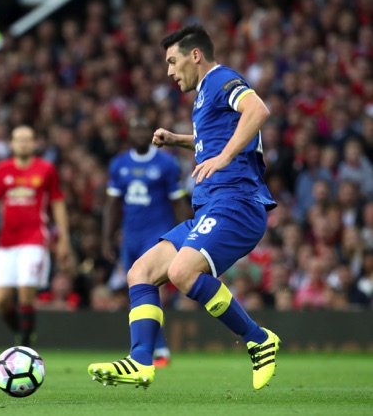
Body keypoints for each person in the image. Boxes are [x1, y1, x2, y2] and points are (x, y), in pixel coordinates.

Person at [88, 25, 280, 391]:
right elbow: (216, 139)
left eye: (172, 62)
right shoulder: (206, 95)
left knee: (182, 272)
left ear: (195, 55)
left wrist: (224, 157)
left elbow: (258, 110)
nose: (169, 71)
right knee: (140, 271)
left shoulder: (222, 78)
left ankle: (258, 339)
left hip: (237, 202)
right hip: (212, 204)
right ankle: (141, 362)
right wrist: (179, 141)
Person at [101, 116, 191, 368]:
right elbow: (112, 205)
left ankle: (156, 348)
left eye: (144, 129)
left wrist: (185, 236)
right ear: (128, 134)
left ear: (151, 133)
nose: (140, 133)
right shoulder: (119, 164)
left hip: (157, 233)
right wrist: (107, 238)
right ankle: (153, 347)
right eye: (135, 129)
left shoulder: (166, 163)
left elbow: (177, 202)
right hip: (131, 236)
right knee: (137, 291)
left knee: (150, 286)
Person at [0, 125, 71, 347]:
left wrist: (63, 238)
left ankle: (25, 347)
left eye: (28, 140)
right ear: (11, 144)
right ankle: (22, 332)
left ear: (35, 143)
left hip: (35, 240)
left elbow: (57, 204)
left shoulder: (45, 169)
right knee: (0, 300)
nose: (24, 143)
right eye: (19, 140)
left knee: (26, 291)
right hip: (6, 242)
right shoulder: (3, 169)